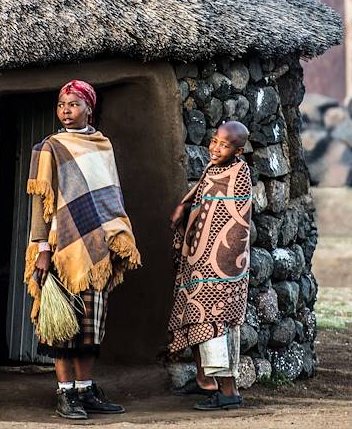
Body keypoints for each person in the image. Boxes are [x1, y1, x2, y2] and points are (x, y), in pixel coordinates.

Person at [24, 80, 141, 420]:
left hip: (97, 249)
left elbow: (110, 196)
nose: (66, 111)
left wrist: (117, 236)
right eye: (62, 104)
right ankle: (65, 394)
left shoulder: (103, 146)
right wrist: (42, 248)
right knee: (63, 326)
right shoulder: (50, 147)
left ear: (89, 108)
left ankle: (85, 390)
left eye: (74, 104)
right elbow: (40, 202)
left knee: (90, 329)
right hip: (61, 250)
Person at [168, 120, 253, 411]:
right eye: (215, 141)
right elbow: (202, 196)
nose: (215, 147)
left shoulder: (240, 174)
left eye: (224, 145)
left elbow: (231, 218)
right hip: (200, 260)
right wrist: (184, 206)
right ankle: (207, 382)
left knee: (214, 321)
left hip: (222, 268)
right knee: (196, 315)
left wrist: (216, 264)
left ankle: (228, 392)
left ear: (238, 150)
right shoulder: (213, 169)